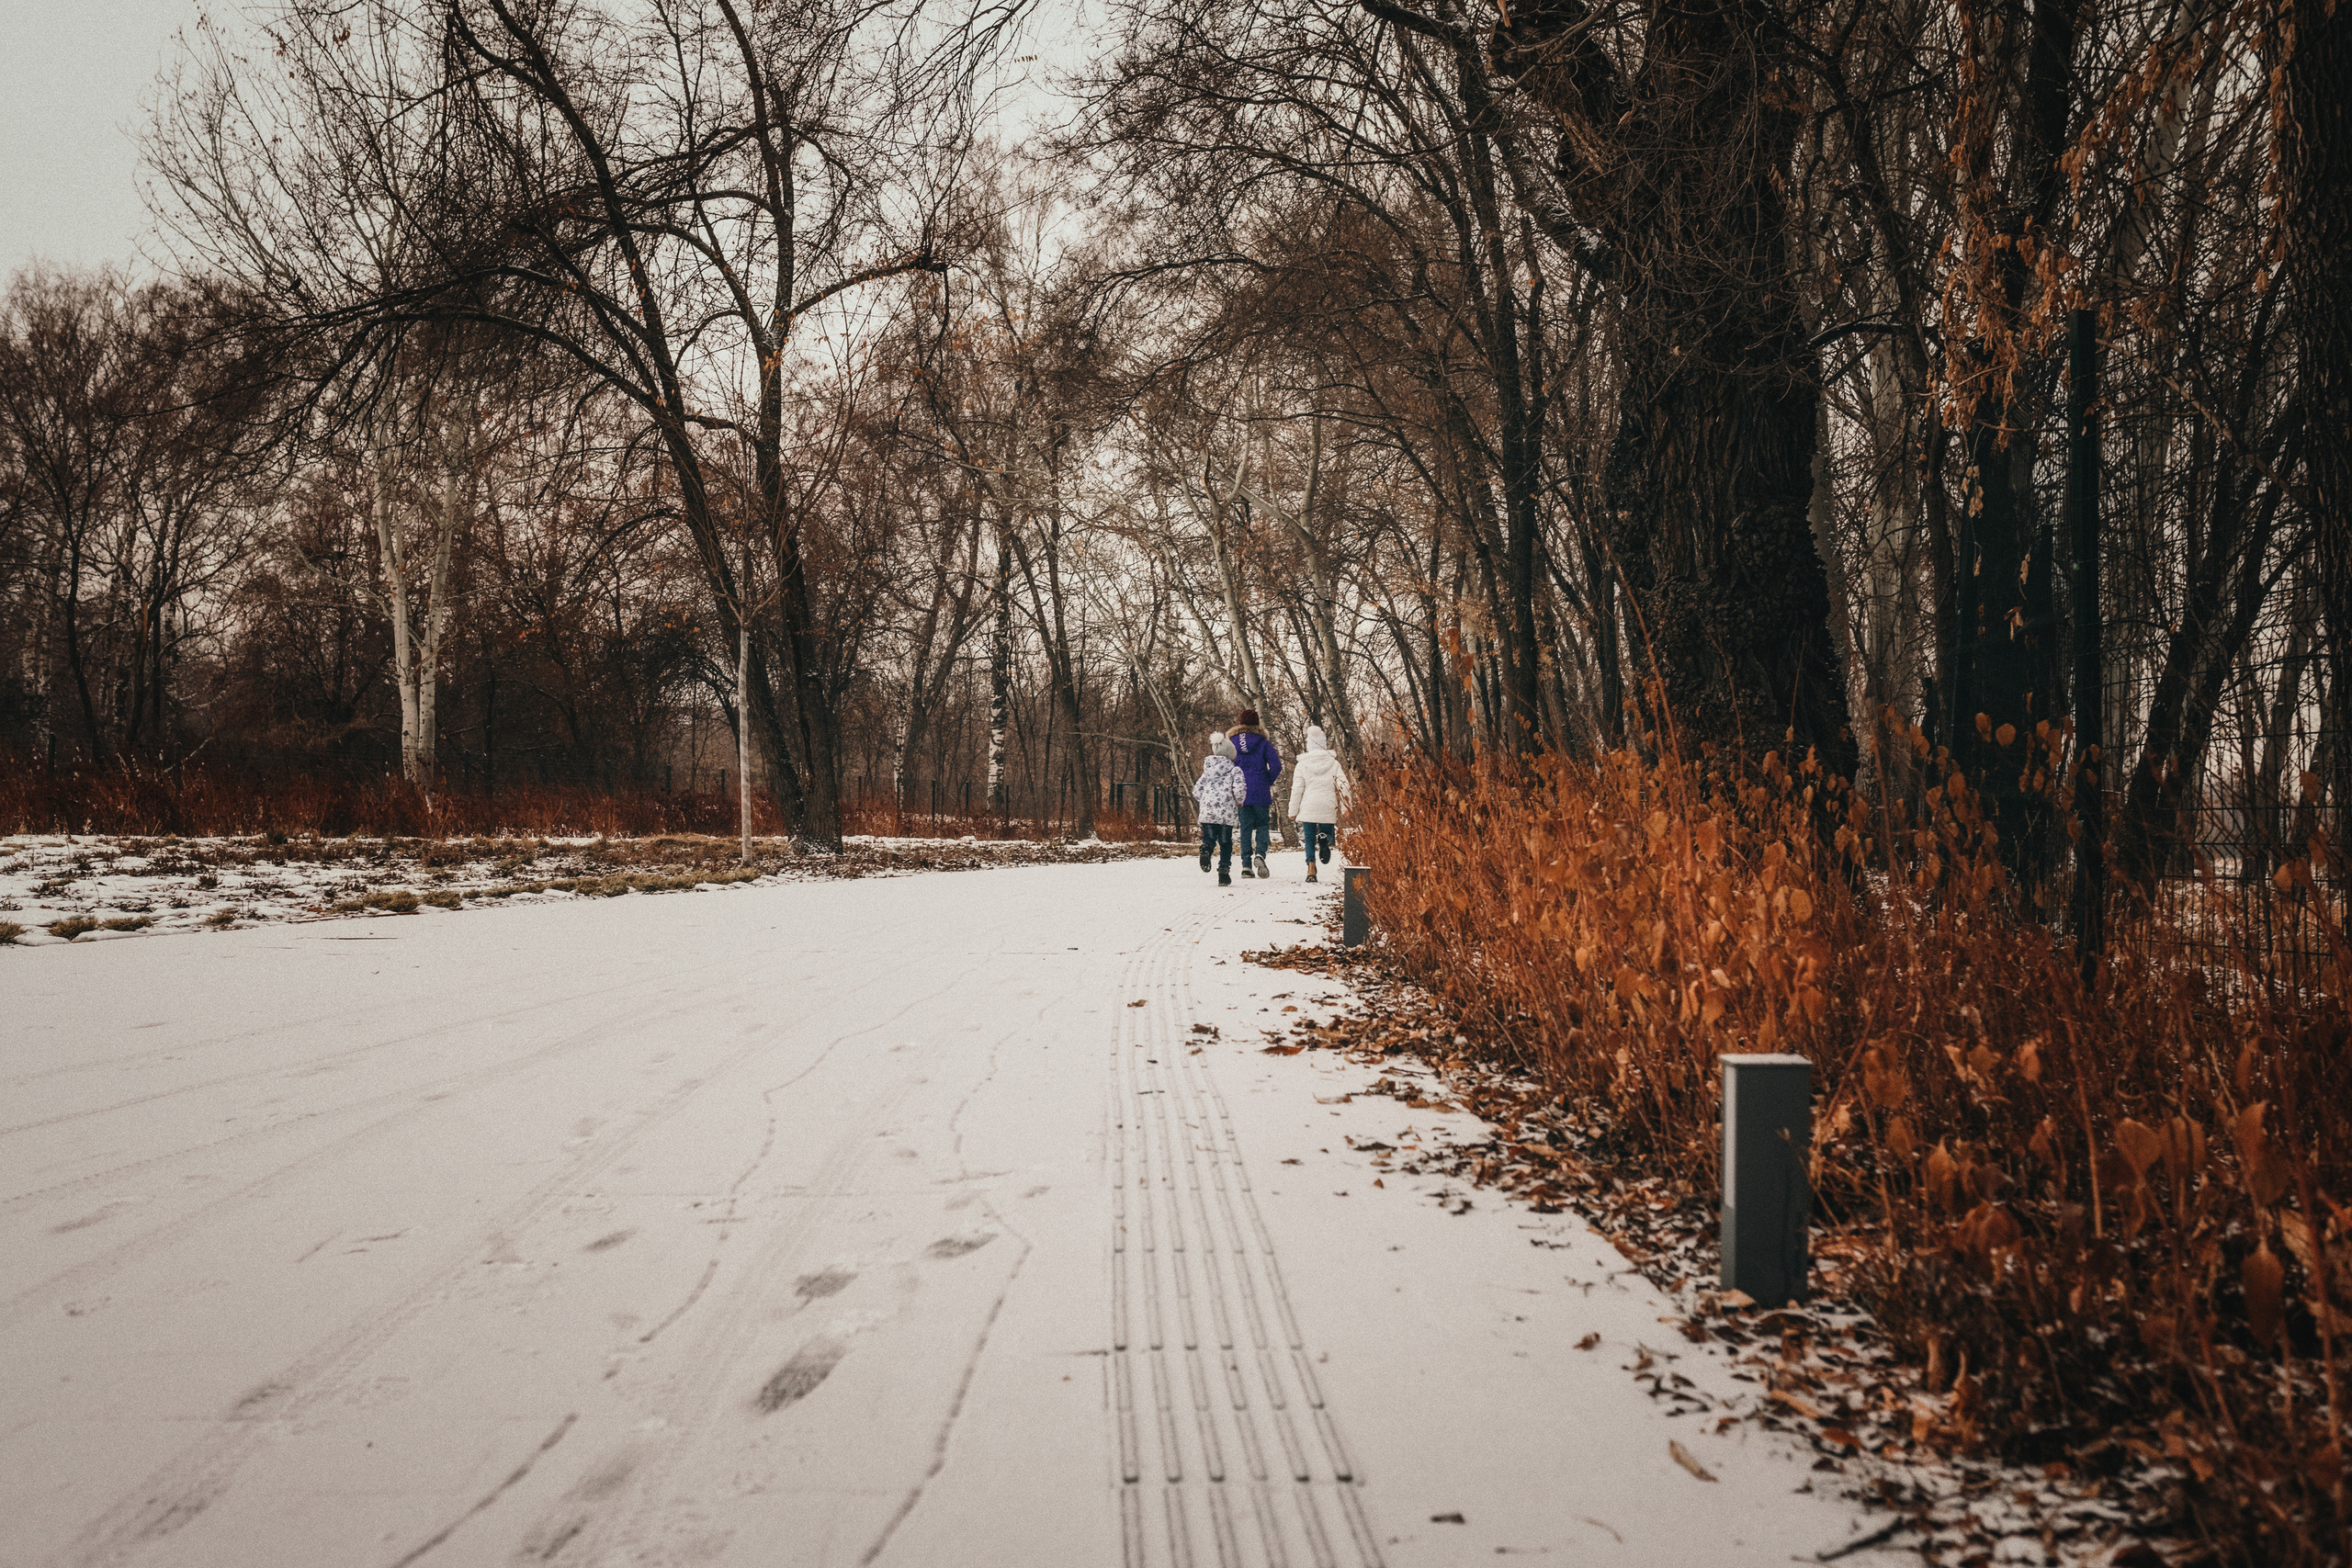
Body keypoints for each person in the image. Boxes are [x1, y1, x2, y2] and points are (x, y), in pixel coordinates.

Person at [1285, 726, 1350, 882]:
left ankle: (1311, 869)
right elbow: (1344, 785)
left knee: (1308, 838)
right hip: (1328, 805)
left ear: (1309, 746)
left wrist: (1292, 810)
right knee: (1326, 833)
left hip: (1309, 805)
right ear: (1324, 744)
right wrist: (1346, 807)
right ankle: (1324, 839)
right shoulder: (1333, 764)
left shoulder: (1302, 765)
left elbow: (1297, 789)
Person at [1227, 707, 1283, 878]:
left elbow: (1227, 766)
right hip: (1260, 789)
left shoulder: (1232, 743)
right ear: (1257, 723)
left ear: (1241, 722)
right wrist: (1267, 780)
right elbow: (1276, 766)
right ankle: (1260, 854)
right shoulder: (1263, 742)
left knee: (1245, 827)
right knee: (1263, 825)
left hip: (1241, 791)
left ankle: (1245, 866)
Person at [1192, 732, 1246, 886]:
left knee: (1209, 838)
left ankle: (1206, 849)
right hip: (1226, 814)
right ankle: (1223, 872)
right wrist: (1240, 801)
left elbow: (1197, 790)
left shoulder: (1207, 770)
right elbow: (1239, 788)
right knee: (1225, 842)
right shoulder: (1234, 770)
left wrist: (1204, 801)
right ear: (1231, 754)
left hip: (1208, 812)